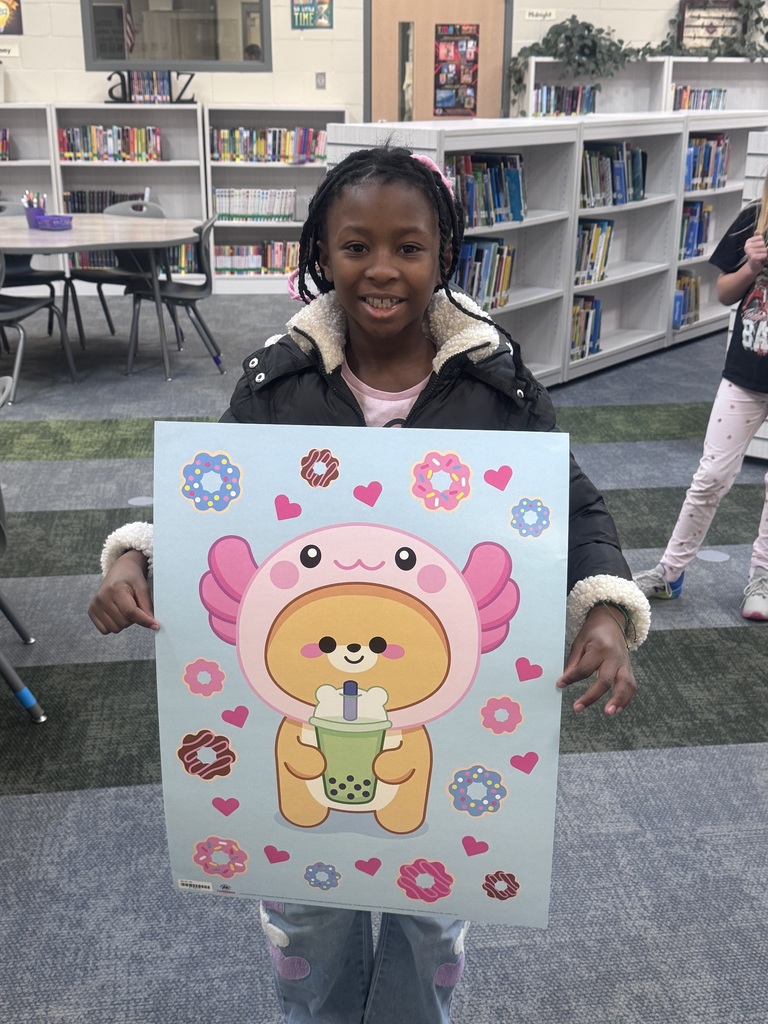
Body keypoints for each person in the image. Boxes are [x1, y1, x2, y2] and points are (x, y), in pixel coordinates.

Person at [88, 145, 650, 1024]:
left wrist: (608, 607)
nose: (382, 269)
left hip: (450, 729)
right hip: (295, 716)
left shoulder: (495, 384)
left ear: (443, 255)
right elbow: (220, 506)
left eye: (409, 247)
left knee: (434, 916)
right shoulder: (280, 379)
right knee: (305, 914)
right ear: (319, 253)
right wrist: (137, 555)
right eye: (356, 246)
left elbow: (572, 508)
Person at [633, 178, 768, 620]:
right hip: (745, 375)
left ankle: (761, 578)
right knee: (710, 476)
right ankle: (670, 572)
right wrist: (750, 267)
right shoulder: (756, 216)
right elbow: (725, 292)